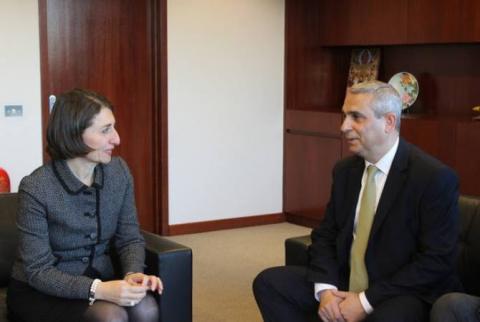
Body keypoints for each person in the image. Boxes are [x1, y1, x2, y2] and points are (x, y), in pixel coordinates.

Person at [253, 81, 462, 322]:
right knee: (270, 283)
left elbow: (436, 260)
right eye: (344, 116)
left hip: (402, 291)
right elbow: (325, 235)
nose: (344, 126)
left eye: (356, 117)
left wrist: (365, 301)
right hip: (347, 280)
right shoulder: (345, 171)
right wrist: (326, 291)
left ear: (389, 122)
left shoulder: (433, 178)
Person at [7, 89, 162, 322]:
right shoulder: (37, 187)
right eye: (105, 130)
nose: (117, 139)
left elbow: (129, 238)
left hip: (105, 280)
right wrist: (99, 290)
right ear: (74, 134)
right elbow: (38, 271)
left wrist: (133, 273)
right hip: (41, 290)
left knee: (146, 308)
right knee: (111, 316)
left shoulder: (119, 173)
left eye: (114, 127)